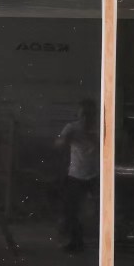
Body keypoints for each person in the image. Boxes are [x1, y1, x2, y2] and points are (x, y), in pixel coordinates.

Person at [56, 99, 99, 252]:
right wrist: (66, 139)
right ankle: (76, 241)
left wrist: (93, 137)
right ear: (79, 114)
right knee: (72, 210)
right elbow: (58, 144)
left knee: (99, 210)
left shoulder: (100, 128)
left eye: (89, 114)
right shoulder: (72, 128)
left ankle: (102, 241)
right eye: (83, 114)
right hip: (76, 175)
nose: (85, 117)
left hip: (96, 175)